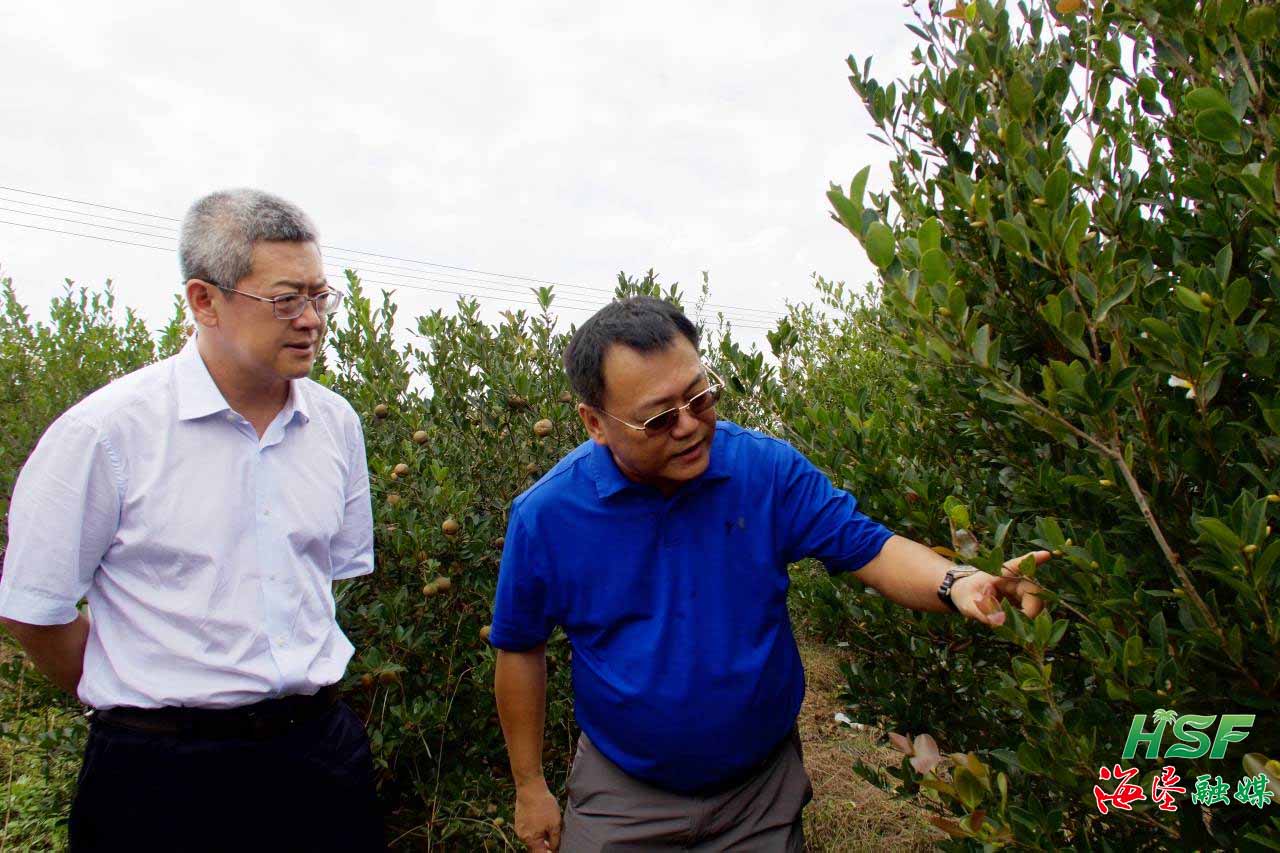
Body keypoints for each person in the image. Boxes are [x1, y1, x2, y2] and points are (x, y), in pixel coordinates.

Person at [490, 296, 1046, 852]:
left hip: (760, 794)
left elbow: (869, 547)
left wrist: (956, 582)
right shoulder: (548, 516)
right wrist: (530, 785)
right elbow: (520, 648)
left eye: (700, 397)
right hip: (622, 795)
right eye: (659, 418)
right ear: (596, 423)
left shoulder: (763, 471)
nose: (689, 427)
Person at [0, 189, 383, 852]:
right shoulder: (106, 434)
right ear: (204, 300)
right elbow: (35, 610)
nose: (311, 320)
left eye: (321, 296)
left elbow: (326, 577)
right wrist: (142, 692)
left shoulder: (335, 425)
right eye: (286, 299)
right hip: (160, 778)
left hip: (320, 759)